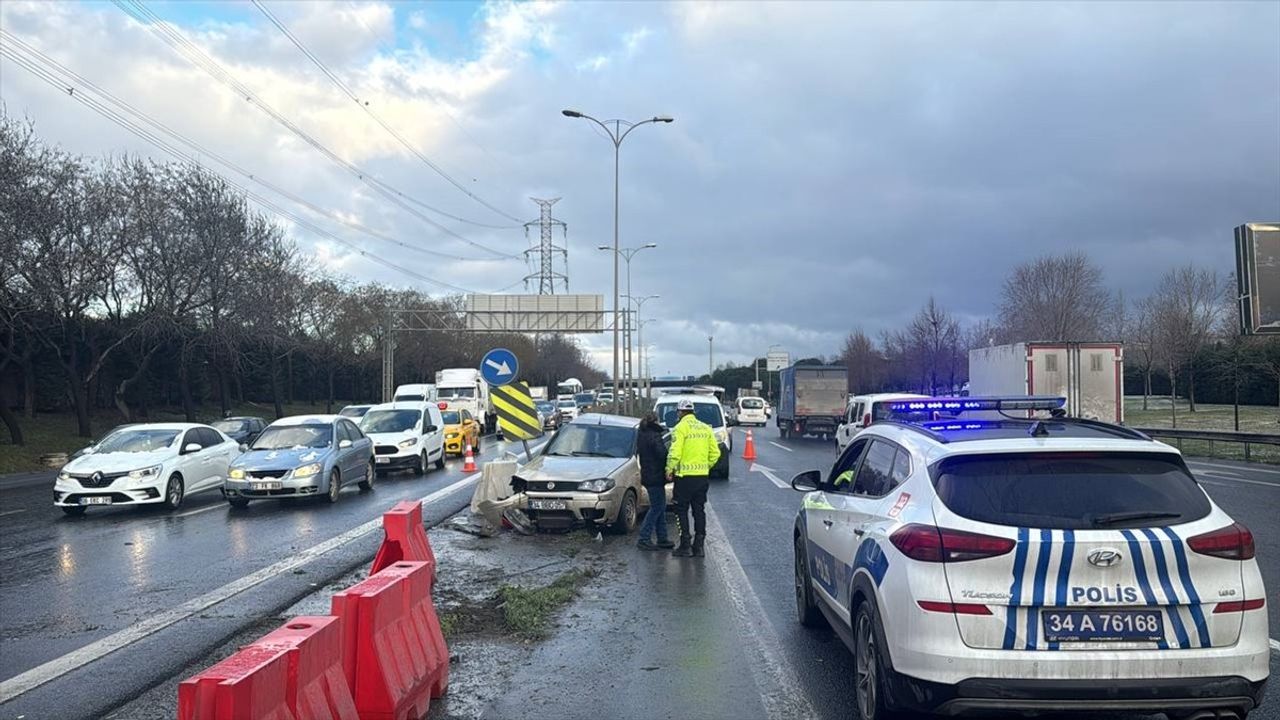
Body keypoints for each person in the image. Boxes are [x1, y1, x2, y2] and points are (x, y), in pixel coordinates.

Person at [665, 399, 721, 558]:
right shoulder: (705, 428)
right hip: (702, 477)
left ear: (680, 412)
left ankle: (685, 544)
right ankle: (699, 546)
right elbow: (715, 453)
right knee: (699, 510)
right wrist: (705, 466)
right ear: (693, 412)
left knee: (680, 510)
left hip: (684, 478)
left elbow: (675, 451)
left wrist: (669, 469)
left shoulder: (680, 428)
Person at [635, 413, 673, 551]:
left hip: (649, 475)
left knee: (660, 506)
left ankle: (662, 538)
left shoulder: (643, 434)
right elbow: (662, 454)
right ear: (655, 421)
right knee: (657, 507)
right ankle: (644, 538)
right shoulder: (654, 435)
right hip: (655, 476)